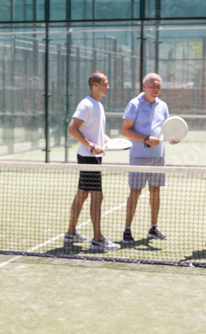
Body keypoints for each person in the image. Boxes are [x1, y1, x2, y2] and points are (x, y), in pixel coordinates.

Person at [64, 71, 120, 251]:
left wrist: (109, 141)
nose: (108, 86)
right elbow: (72, 129)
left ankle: (71, 232)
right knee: (97, 196)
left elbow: (95, 132)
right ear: (95, 85)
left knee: (82, 194)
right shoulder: (86, 105)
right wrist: (90, 145)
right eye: (106, 83)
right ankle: (97, 239)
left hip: (93, 156)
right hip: (88, 157)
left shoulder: (98, 105)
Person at [121, 73, 179, 244]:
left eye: (159, 86)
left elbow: (166, 129)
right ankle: (127, 230)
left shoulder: (163, 106)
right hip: (139, 156)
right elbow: (125, 130)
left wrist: (171, 138)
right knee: (135, 192)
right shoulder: (134, 104)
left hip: (158, 156)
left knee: (155, 191)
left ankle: (153, 228)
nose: (156, 89)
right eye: (153, 85)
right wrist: (146, 139)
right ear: (144, 86)